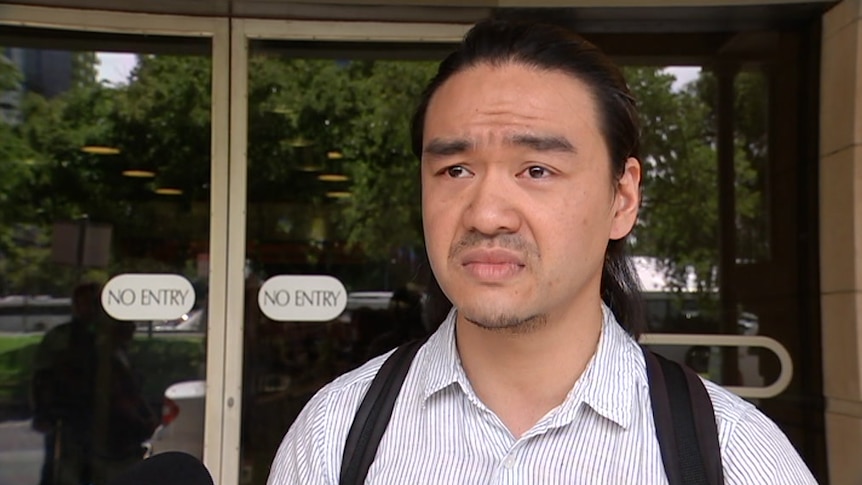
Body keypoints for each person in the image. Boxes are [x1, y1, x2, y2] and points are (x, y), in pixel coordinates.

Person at [267, 18, 816, 484]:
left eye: (536, 170)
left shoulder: (734, 456)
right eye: (454, 170)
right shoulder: (335, 438)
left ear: (622, 198)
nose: (485, 215)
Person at [31, 282, 101, 485]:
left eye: (95, 303)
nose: (90, 308)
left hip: (101, 415)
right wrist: (42, 412)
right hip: (66, 414)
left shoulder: (109, 336)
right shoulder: (60, 338)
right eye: (86, 303)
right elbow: (42, 377)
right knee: (61, 468)